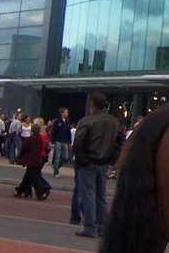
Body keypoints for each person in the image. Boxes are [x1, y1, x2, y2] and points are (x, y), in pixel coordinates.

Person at [73, 91, 121, 238]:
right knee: (101, 196)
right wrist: (112, 159)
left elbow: (78, 142)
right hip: (103, 162)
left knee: (88, 195)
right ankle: (102, 227)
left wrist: (82, 160)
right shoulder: (114, 122)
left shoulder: (87, 121)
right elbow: (119, 142)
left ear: (92, 104)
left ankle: (90, 226)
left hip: (89, 161)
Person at [13, 121, 51, 201]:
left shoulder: (30, 139)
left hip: (30, 161)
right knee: (28, 177)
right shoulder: (39, 139)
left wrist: (19, 157)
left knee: (34, 179)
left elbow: (23, 148)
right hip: (37, 161)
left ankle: (41, 192)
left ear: (32, 131)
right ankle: (20, 190)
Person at [49, 107, 72, 177]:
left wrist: (69, 142)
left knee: (66, 157)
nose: (67, 113)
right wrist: (52, 141)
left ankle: (56, 166)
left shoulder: (67, 121)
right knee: (57, 156)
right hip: (58, 140)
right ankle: (56, 172)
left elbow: (68, 132)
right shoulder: (57, 121)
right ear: (62, 113)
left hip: (64, 141)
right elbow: (54, 131)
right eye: (66, 112)